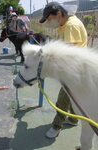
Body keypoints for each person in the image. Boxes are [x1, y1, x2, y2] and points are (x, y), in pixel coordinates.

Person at [39, 2, 87, 138]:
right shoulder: (65, 24)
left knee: (62, 99)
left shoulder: (71, 26)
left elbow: (67, 50)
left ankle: (56, 126)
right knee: (71, 97)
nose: (49, 22)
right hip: (73, 66)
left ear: (59, 14)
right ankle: (73, 119)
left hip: (74, 69)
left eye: (49, 19)